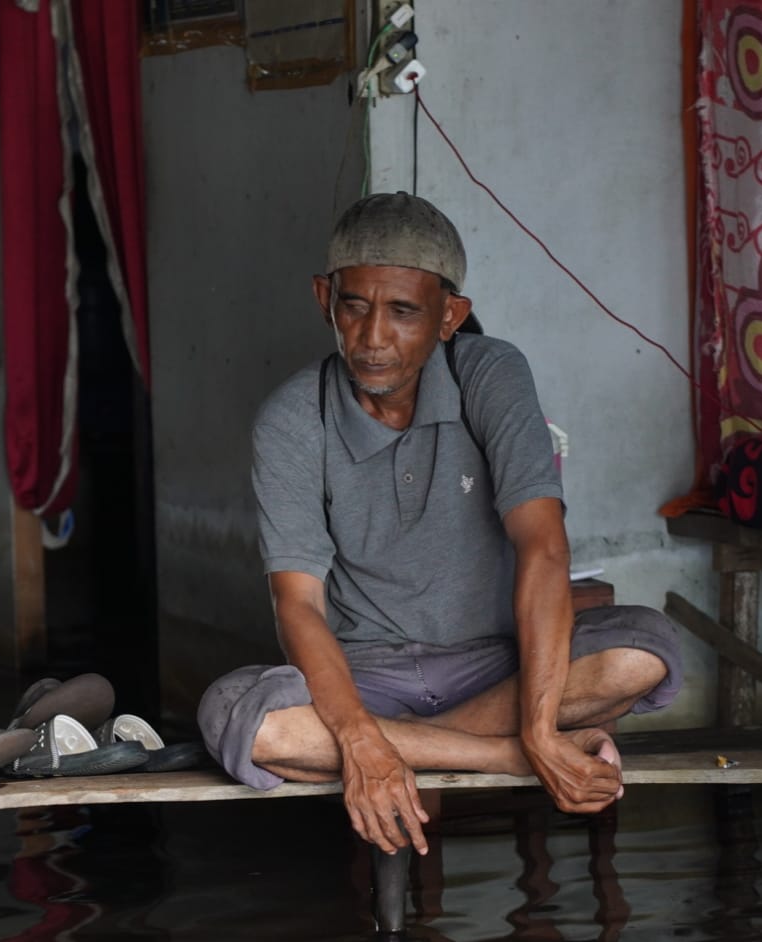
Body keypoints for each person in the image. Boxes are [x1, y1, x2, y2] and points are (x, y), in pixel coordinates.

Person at [197, 192, 682, 857]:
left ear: (451, 315)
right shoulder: (291, 419)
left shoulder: (491, 374)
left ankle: (439, 747)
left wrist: (540, 722)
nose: (372, 338)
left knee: (643, 651)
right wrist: (366, 735)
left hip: (493, 667)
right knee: (237, 713)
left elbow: (541, 547)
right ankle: (497, 757)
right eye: (354, 306)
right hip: (361, 677)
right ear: (323, 297)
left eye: (403, 312)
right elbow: (298, 605)